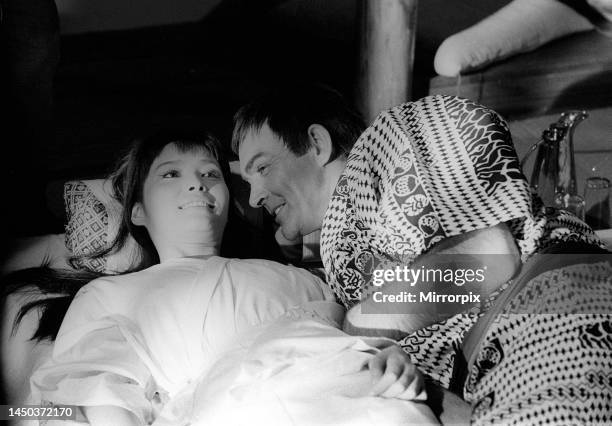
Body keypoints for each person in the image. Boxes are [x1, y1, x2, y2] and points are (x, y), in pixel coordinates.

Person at [233, 85, 611, 424]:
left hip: (551, 305)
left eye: (263, 168)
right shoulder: (340, 240)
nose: (254, 197)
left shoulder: (397, 134)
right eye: (248, 182)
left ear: (317, 143)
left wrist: (359, 325)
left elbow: (492, 254)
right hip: (501, 359)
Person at [21, 131, 438, 426]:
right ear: (138, 213)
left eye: (210, 174)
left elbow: (356, 333)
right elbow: (86, 394)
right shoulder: (110, 293)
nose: (197, 185)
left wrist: (391, 357)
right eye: (171, 174)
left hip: (360, 399)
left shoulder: (296, 277)